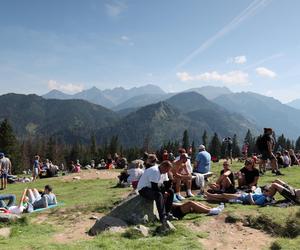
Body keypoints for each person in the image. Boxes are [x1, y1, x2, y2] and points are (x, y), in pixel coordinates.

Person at [137, 161, 174, 230]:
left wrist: (171, 179)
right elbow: (154, 187)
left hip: (152, 187)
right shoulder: (155, 171)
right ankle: (162, 217)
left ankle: (167, 213)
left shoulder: (163, 171)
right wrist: (163, 193)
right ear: (163, 166)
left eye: (168, 170)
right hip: (143, 189)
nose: (167, 172)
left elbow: (166, 185)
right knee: (158, 195)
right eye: (166, 170)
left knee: (171, 191)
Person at [205, 185, 273, 206]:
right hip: (242, 195)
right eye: (264, 190)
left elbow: (254, 204)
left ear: (268, 193)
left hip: (241, 198)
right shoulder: (262, 194)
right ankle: (209, 197)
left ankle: (209, 194)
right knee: (224, 199)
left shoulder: (263, 197)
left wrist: (250, 195)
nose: (264, 191)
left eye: (267, 191)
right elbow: (256, 188)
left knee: (224, 195)